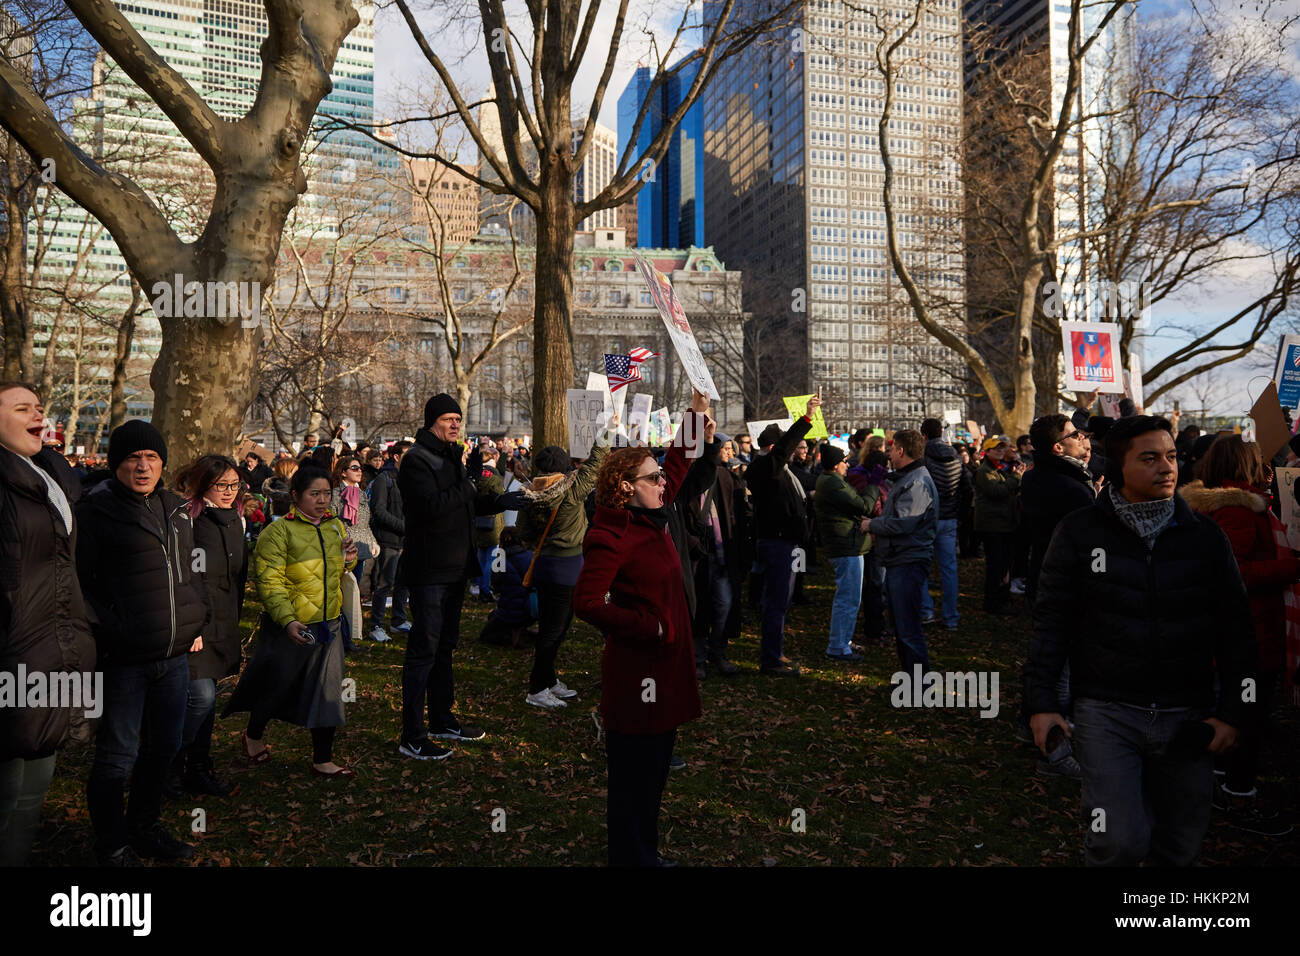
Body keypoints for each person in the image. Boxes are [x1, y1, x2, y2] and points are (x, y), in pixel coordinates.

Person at [1025, 415, 1259, 866]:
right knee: (1114, 837)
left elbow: (1236, 628)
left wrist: (1234, 712)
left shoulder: (1205, 537)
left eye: (1171, 456)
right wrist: (1041, 703)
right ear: (1117, 468)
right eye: (1150, 458)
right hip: (1105, 712)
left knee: (1179, 845)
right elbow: (1052, 621)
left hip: (1188, 714)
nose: (1167, 468)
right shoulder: (1080, 532)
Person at [574, 408, 706, 867]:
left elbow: (678, 462)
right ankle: (631, 858)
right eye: (652, 478)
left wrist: (697, 412)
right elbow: (587, 602)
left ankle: (643, 854)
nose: (663, 482)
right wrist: (647, 626)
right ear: (628, 486)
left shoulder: (653, 512)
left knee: (653, 777)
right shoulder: (611, 533)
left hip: (666, 669)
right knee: (633, 779)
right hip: (637, 678)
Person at [77, 419, 209, 865]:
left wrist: (194, 619)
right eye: (133, 457)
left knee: (164, 747)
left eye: (151, 457)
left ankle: (146, 827)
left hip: (172, 657)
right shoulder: (95, 511)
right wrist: (115, 630)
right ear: (116, 464)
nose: (142, 465)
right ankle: (112, 843)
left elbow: (190, 573)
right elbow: (80, 585)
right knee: (118, 755)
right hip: (124, 661)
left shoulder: (176, 509)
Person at [1179, 436, 1298, 836]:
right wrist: (1291, 567)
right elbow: (1237, 576)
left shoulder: (1221, 503)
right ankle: (1235, 793)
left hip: (1233, 632)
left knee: (1236, 711)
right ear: (1243, 466)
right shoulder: (1238, 509)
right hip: (1248, 633)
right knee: (1246, 716)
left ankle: (1219, 784)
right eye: (1258, 462)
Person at [0, 382, 96, 866]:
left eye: (39, 407)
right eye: (22, 408)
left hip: (55, 651)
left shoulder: (53, 479)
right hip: (11, 653)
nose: (38, 414)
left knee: (35, 785)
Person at [396, 394, 519, 760]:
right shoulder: (417, 460)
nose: (455, 425)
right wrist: (467, 484)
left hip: (455, 570)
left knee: (445, 648)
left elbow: (462, 505)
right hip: (428, 571)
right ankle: (412, 734)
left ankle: (441, 720)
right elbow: (430, 507)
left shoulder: (450, 456)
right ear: (433, 420)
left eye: (458, 419)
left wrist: (502, 502)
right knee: (424, 651)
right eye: (449, 418)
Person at [224, 466, 356, 778]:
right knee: (276, 686)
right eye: (315, 494)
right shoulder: (278, 532)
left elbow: (341, 567)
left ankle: (323, 759)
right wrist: (287, 621)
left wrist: (349, 557)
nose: (323, 500)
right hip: (292, 626)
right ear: (295, 496)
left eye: (326, 493)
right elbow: (270, 583)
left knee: (328, 691)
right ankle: (253, 735)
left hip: (329, 625)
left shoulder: (335, 526)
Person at [516, 429, 612, 709]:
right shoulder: (571, 490)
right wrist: (606, 433)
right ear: (564, 466)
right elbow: (595, 463)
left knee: (553, 627)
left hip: (546, 565)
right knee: (553, 631)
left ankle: (548, 679)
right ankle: (537, 687)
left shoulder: (530, 494)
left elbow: (522, 532)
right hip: (568, 568)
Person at [171, 454, 248, 797]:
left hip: (223, 622)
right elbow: (182, 578)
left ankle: (198, 766)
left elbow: (238, 577)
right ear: (204, 484)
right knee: (199, 697)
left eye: (234, 485)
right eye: (222, 485)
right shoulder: (187, 520)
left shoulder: (234, 520)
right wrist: (192, 627)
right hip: (194, 627)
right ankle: (169, 765)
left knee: (208, 698)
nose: (229, 491)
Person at [746, 394, 823, 676]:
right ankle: (771, 660)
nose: (792, 450)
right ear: (773, 447)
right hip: (777, 543)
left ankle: (775, 654)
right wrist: (806, 418)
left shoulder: (778, 469)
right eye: (785, 445)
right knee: (776, 602)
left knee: (781, 601)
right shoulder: (768, 467)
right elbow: (784, 448)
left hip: (785, 542)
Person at [865, 430, 937, 673]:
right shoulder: (909, 478)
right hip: (900, 559)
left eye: (891, 449)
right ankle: (910, 678)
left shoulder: (917, 481)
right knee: (901, 626)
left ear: (901, 450)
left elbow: (903, 524)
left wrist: (871, 524)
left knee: (908, 628)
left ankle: (919, 685)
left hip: (908, 560)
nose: (888, 454)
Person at [815, 444, 880, 661]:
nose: (847, 465)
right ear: (835, 464)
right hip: (845, 546)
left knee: (852, 597)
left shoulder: (834, 481)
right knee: (848, 598)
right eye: (844, 461)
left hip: (849, 544)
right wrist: (873, 484)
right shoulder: (833, 483)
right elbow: (863, 506)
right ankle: (837, 646)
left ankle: (844, 640)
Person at [920, 418, 967, 631]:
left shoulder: (923, 458)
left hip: (927, 517)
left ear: (924, 436)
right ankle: (951, 617)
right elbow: (967, 487)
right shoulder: (956, 457)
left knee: (921, 565)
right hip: (949, 517)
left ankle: (926, 611)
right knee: (949, 569)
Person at [973, 435, 1023, 615]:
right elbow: (997, 491)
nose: (1000, 451)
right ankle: (992, 601)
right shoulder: (985, 471)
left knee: (1005, 563)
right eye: (996, 449)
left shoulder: (1004, 468)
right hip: (992, 525)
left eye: (1002, 448)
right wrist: (1016, 477)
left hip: (1005, 523)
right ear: (987, 451)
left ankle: (1002, 597)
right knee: (995, 564)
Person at [367, 440, 410, 642]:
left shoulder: (413, 478)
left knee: (404, 582)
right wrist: (404, 527)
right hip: (389, 540)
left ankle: (398, 620)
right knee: (384, 584)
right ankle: (376, 624)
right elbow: (378, 511)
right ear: (396, 456)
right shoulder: (384, 479)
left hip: (408, 541)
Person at [473, 445, 505, 603]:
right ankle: (486, 589)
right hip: (493, 524)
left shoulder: (475, 476)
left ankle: (480, 587)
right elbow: (501, 498)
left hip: (478, 521)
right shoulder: (495, 478)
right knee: (490, 560)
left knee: (480, 557)